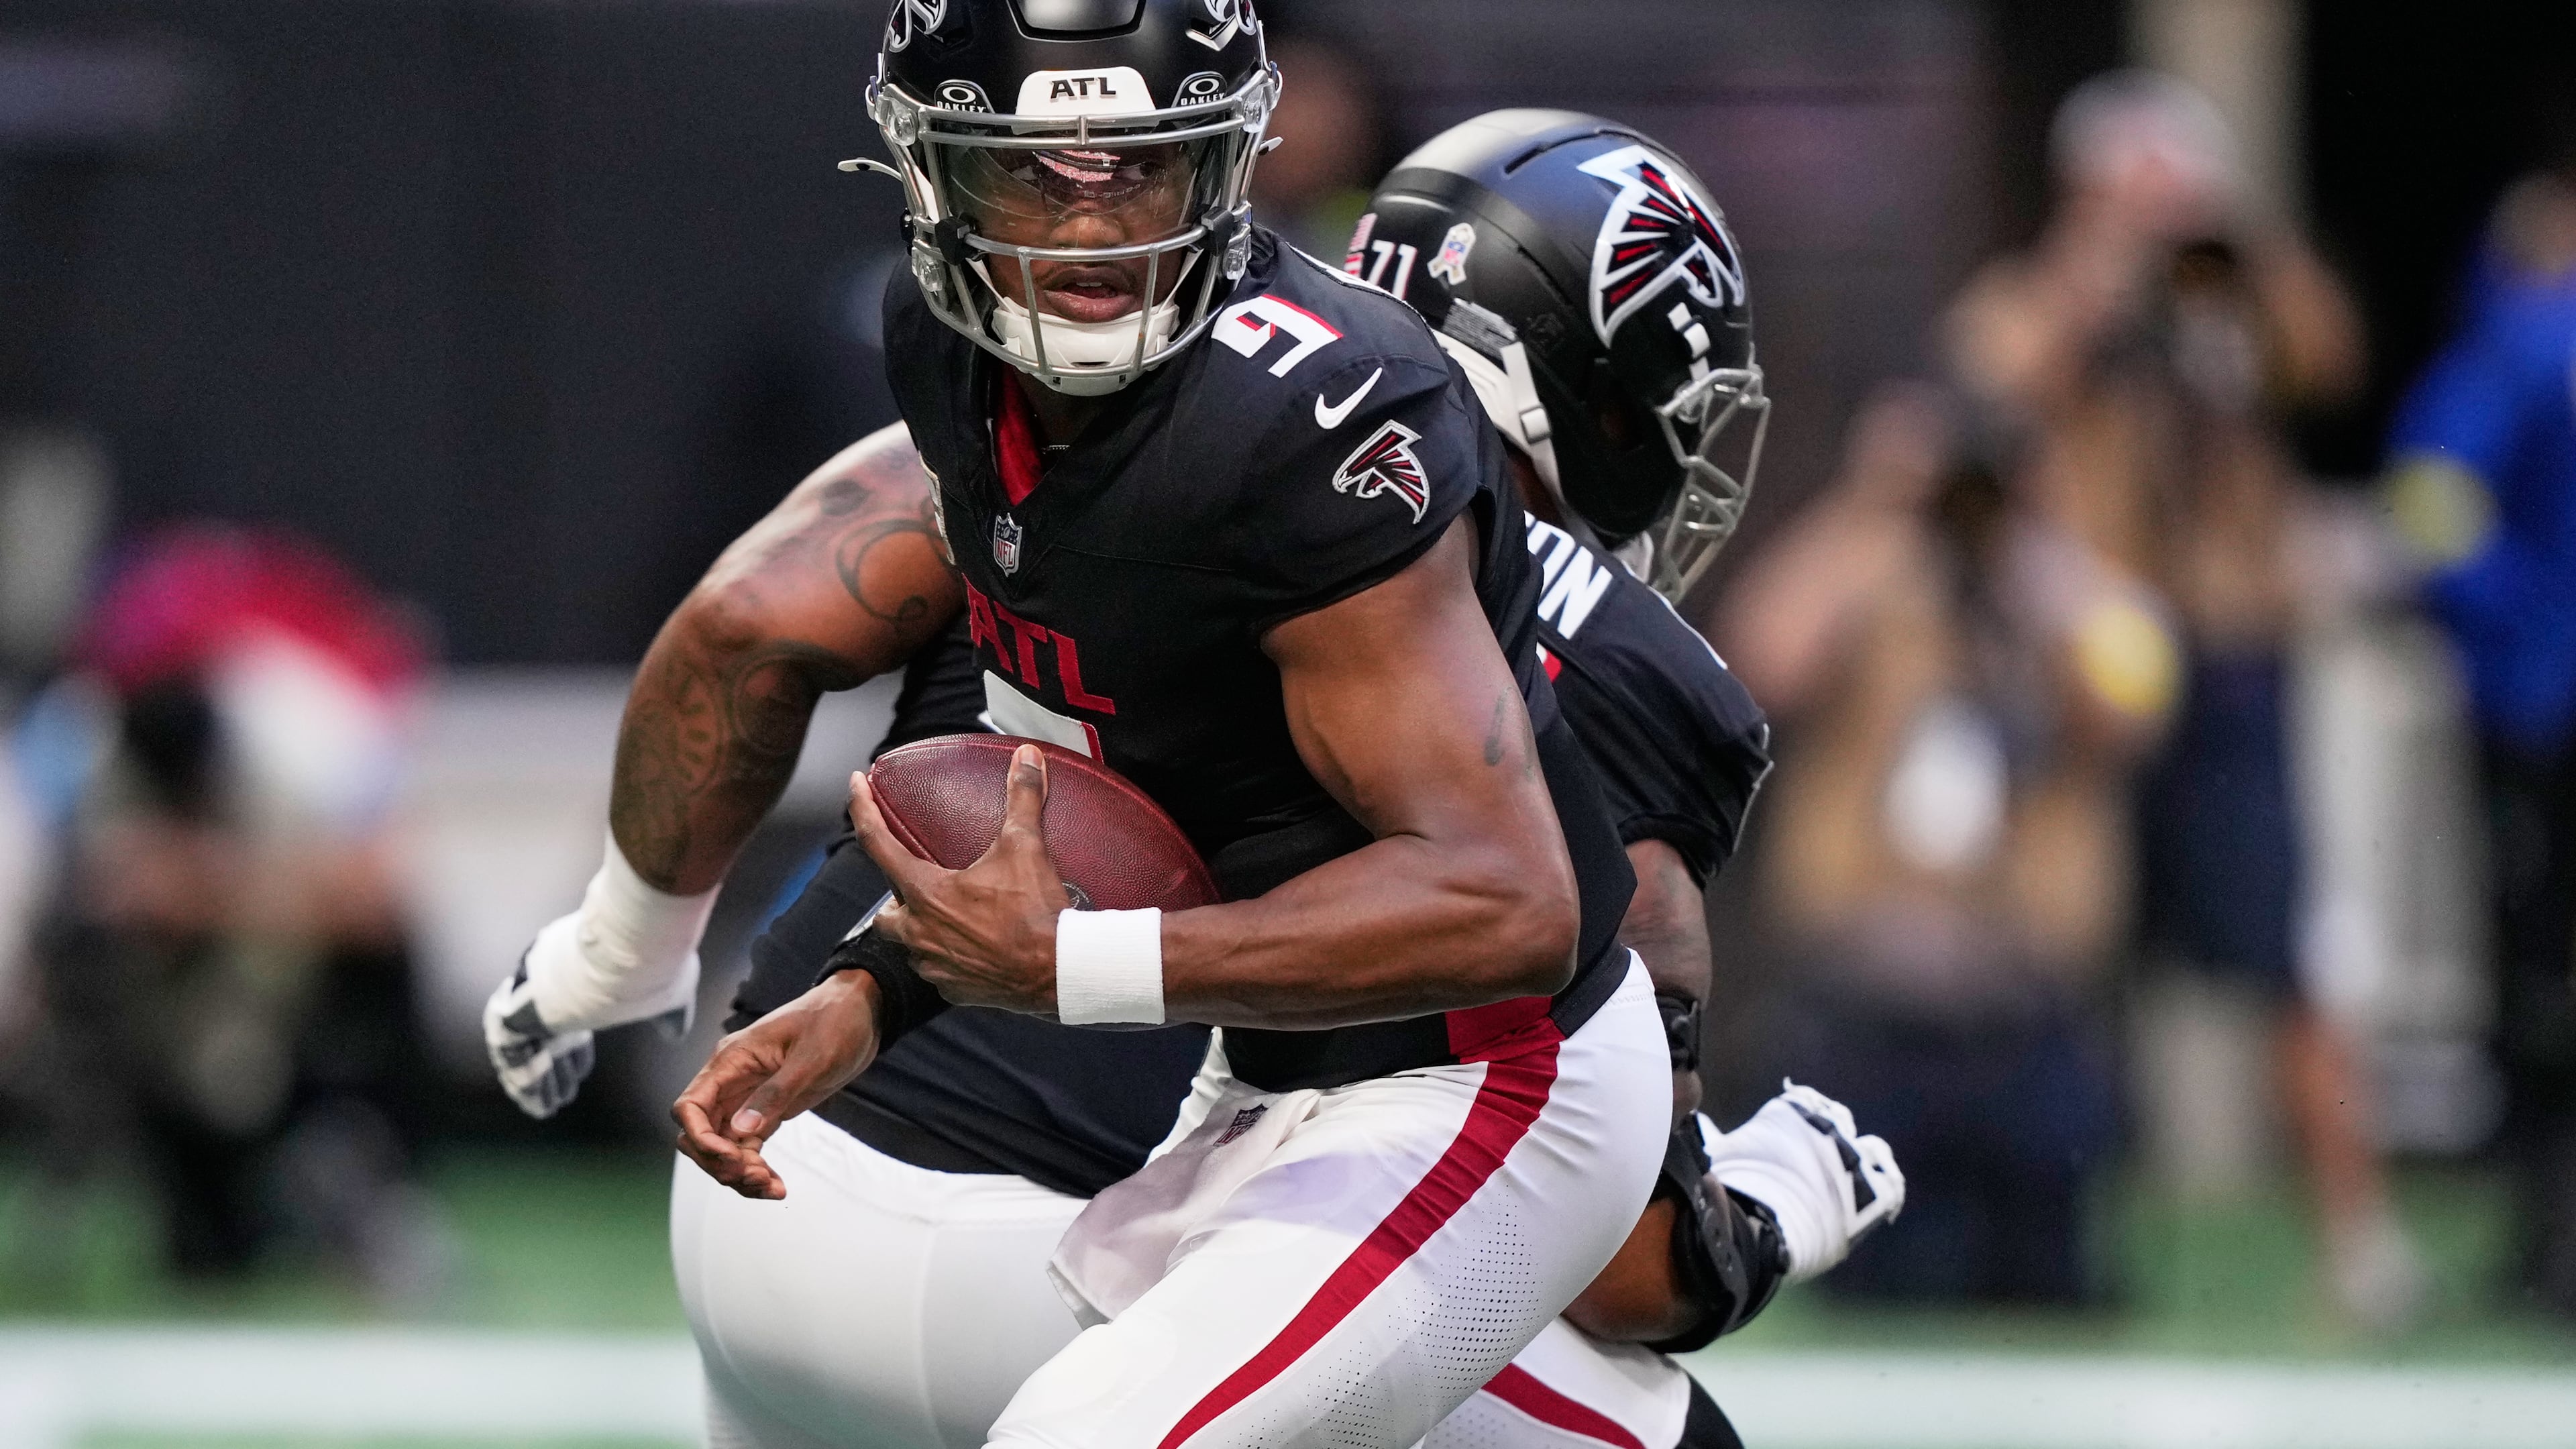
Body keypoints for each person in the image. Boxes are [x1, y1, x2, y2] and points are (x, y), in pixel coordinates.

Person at [491, 7, 1672, 1448]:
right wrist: (877, 993)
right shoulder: (944, 347)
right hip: (1262, 1073)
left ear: (1231, 169)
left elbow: (1508, 904)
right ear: (930, 179)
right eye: (1033, 178)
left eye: (1141, 175)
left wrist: (1069, 966)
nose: (1090, 243)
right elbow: (1096, 776)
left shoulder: (1318, 423)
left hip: (1483, 1080)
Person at [1945, 70, 2418, 1327]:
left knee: (2286, 953)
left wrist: (2225, 229)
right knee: (2071, 949)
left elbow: (2328, 359)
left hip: (2228, 653)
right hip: (2097, 660)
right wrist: (2100, 250)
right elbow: (1991, 382)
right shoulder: (2049, 290)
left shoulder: (2227, 298)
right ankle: (2060, 1235)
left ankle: (2359, 1240)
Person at [2382, 134, 2576, 1320]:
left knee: (2542, 987)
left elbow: (2427, 502)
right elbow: (2436, 503)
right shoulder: (2531, 342)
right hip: (2544, 712)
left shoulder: (2515, 344)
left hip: (2537, 709)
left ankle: (2551, 1246)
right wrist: (2528, 624)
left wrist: (2510, 627)